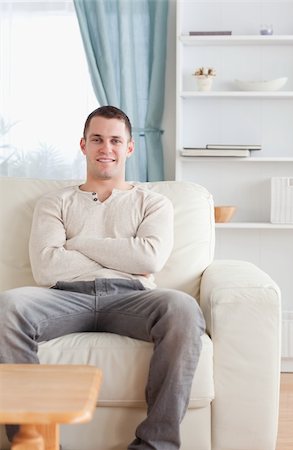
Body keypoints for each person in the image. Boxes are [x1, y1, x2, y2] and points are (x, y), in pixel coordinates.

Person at [0, 106, 205, 450]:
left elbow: (149, 257)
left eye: (114, 140)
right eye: (97, 139)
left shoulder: (154, 203)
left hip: (134, 297)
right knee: (7, 307)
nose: (105, 148)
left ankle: (156, 444)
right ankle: (32, 441)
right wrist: (124, 252)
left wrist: (78, 242)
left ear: (129, 148)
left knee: (183, 309)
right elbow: (47, 267)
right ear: (83, 145)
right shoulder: (55, 202)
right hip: (64, 296)